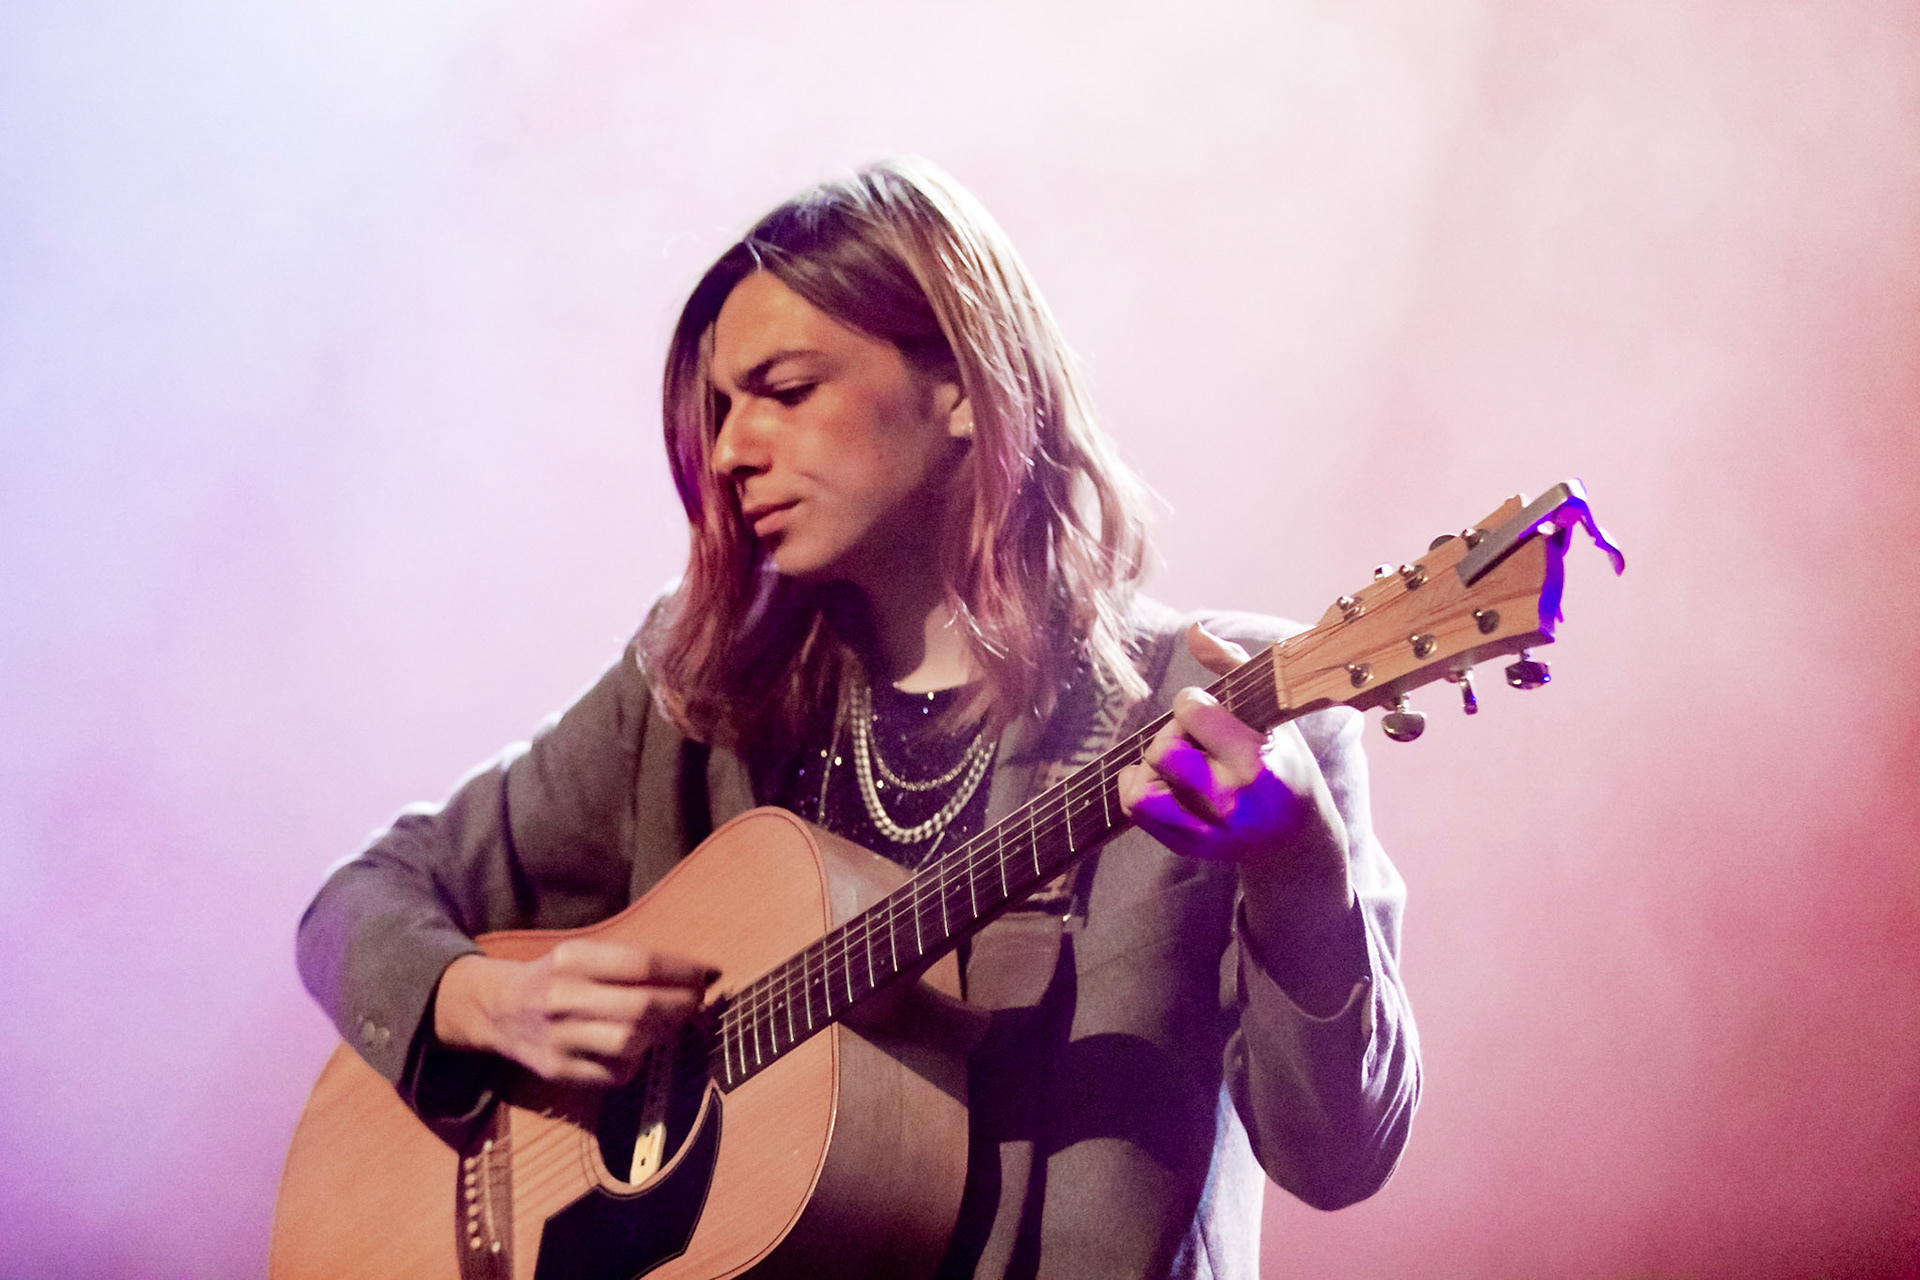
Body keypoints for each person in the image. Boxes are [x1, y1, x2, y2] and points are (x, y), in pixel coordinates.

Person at [296, 157, 1419, 1279]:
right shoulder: (698, 699)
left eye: (784, 392)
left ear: (965, 392)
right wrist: (482, 1000)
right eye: (721, 410)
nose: (732, 449)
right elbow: (357, 903)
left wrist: (1295, 858)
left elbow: (1339, 1156)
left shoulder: (1219, 699)